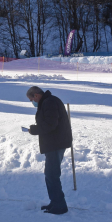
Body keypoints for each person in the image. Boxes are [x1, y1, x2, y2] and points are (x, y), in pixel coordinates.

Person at [26, 86, 73, 215]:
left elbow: (50, 124)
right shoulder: (48, 101)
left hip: (55, 143)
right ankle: (55, 202)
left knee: (52, 175)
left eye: (31, 100)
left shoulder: (49, 102)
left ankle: (59, 206)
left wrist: (34, 129)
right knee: (50, 174)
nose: (32, 103)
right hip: (54, 142)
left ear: (36, 95)